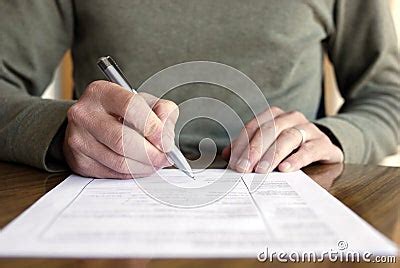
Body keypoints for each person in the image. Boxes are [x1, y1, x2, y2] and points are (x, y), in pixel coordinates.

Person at [0, 0, 398, 179]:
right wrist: (60, 130)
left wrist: (332, 136)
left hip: (284, 191)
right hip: (107, 197)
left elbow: (389, 93)